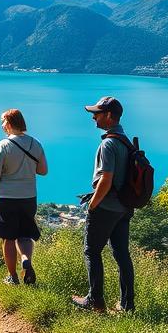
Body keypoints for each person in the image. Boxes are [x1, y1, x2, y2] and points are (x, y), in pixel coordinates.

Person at [72, 96, 135, 314]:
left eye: (96, 113)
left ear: (109, 116)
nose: (93, 117)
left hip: (107, 207)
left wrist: (92, 206)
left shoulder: (108, 143)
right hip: (124, 207)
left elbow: (106, 179)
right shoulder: (125, 141)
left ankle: (95, 301)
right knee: (122, 255)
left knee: (91, 251)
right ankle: (127, 305)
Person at [0, 109, 48, 285]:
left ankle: (13, 277)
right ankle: (25, 259)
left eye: (2, 122)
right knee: (25, 234)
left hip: (6, 197)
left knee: (8, 237)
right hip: (28, 197)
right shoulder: (35, 143)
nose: (1, 126)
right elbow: (43, 170)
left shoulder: (3, 145)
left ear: (8, 123)